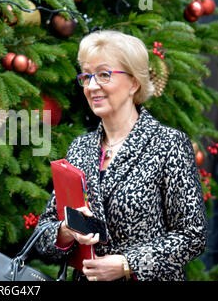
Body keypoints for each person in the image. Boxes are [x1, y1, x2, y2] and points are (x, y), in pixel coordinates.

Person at [34, 30, 207, 281]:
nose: (92, 86)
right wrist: (65, 231)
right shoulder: (80, 149)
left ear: (134, 82)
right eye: (86, 76)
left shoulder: (169, 144)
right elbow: (45, 231)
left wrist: (128, 263)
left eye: (104, 75)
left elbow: (193, 235)